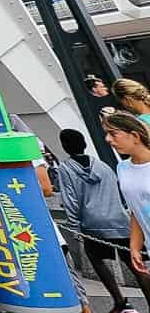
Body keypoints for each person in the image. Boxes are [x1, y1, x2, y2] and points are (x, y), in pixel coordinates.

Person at [60, 126, 147, 313]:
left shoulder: (66, 168)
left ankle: (119, 300)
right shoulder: (102, 165)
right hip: (120, 220)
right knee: (135, 265)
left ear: (65, 146)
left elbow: (70, 199)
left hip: (93, 225)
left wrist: (74, 227)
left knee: (97, 259)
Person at [107, 111, 150, 288]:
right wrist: (134, 246)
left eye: (113, 133)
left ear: (134, 136)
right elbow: (135, 209)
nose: (108, 139)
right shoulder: (122, 168)